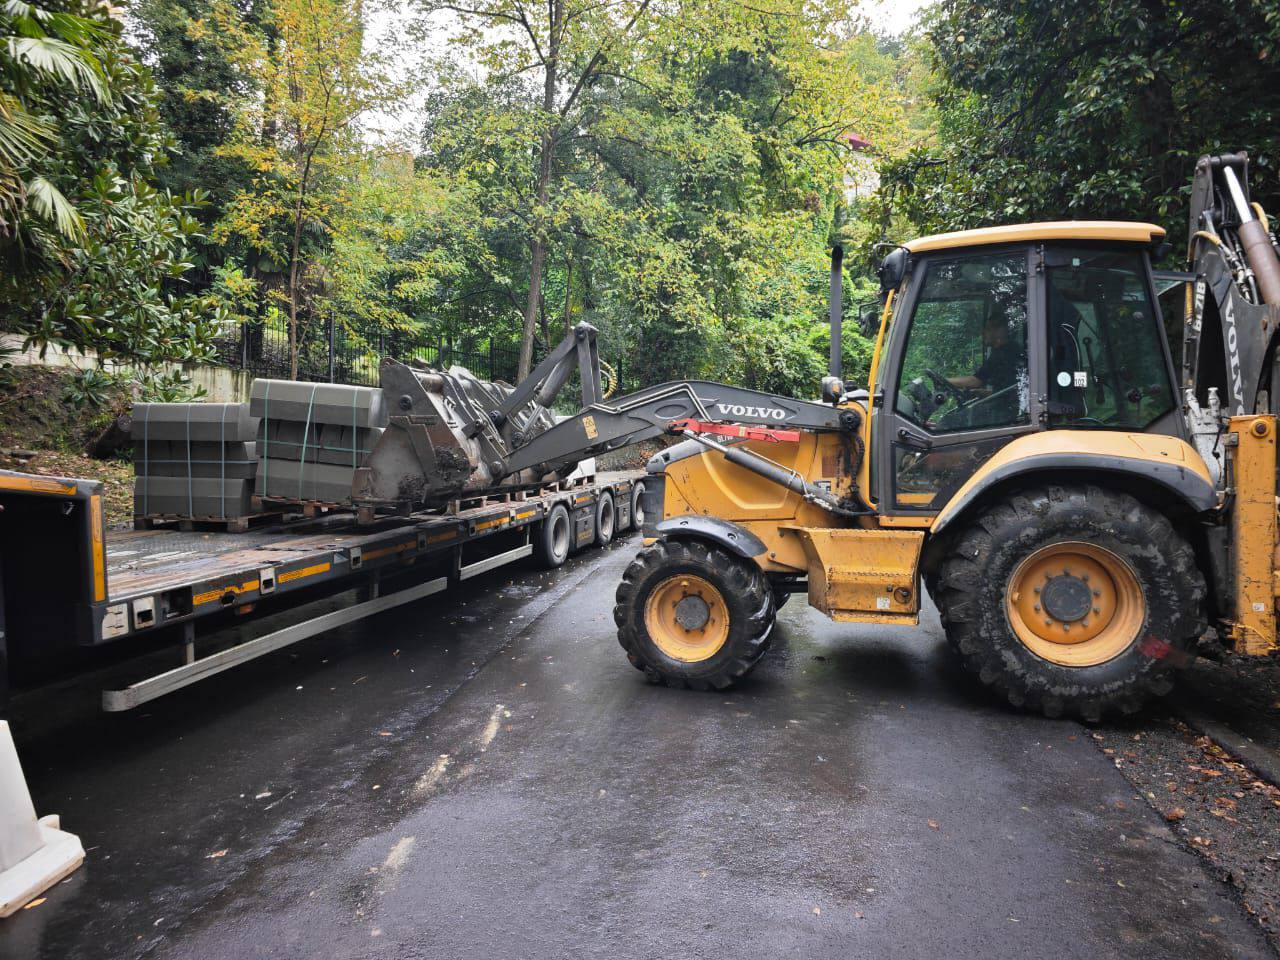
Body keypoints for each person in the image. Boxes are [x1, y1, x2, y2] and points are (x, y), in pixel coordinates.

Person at [948, 311, 1024, 394]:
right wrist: (985, 394)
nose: (983, 333)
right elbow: (1006, 391)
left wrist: (945, 381)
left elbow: (975, 382)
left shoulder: (1004, 353)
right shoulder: (1010, 349)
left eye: (988, 329)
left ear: (1000, 331)